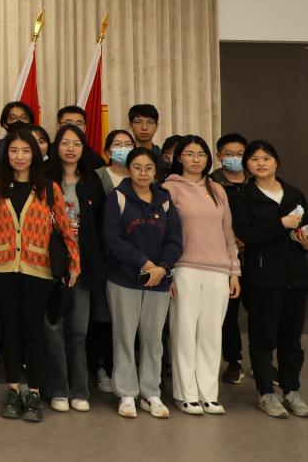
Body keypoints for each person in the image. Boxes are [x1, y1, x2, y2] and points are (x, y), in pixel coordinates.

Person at [0, 130, 79, 422]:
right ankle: (13, 391)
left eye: (26, 151)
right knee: (9, 330)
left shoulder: (49, 187)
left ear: (34, 155)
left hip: (38, 269)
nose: (19, 156)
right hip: (2, 268)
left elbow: (64, 228)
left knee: (33, 331)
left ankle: (34, 393)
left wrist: (74, 264)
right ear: (6, 154)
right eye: (14, 151)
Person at [232, 140, 308, 419]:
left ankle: (291, 390)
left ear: (276, 162)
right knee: (263, 337)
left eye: (266, 158)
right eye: (254, 159)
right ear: (247, 165)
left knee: (291, 339)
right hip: (263, 278)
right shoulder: (244, 196)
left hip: (297, 277)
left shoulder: (293, 193)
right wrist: (281, 224)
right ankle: (266, 393)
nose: (261, 163)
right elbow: (247, 236)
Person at [102, 147, 183, 419]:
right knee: (124, 337)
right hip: (124, 279)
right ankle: (126, 392)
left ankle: (151, 392)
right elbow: (112, 239)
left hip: (159, 281)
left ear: (155, 171)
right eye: (137, 167)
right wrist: (144, 263)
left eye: (148, 168)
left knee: (153, 338)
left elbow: (175, 240)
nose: (143, 173)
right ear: (128, 170)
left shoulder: (165, 200)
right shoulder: (118, 197)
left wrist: (162, 268)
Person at [163, 135, 241, 416]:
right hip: (184, 268)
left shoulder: (217, 189)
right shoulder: (169, 188)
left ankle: (208, 393)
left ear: (208, 159)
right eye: (189, 153)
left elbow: (228, 232)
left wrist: (234, 271)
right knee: (184, 332)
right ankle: (185, 394)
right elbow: (163, 234)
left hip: (218, 270)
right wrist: (167, 272)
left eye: (201, 154)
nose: (196, 159)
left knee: (211, 334)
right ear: (179, 158)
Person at [41, 125, 105, 414]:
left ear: (83, 148)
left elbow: (101, 226)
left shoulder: (92, 182)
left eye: (76, 144)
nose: (70, 149)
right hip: (50, 264)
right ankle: (58, 389)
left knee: (78, 331)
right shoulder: (44, 179)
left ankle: (80, 390)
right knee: (52, 328)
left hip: (83, 266)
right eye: (65, 143)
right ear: (56, 147)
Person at [211, 132, 249, 385]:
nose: (234, 158)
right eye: (229, 154)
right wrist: (230, 239)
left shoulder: (257, 181)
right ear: (218, 156)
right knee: (228, 313)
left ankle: (264, 362)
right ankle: (233, 361)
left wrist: (249, 238)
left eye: (240, 154)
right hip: (224, 256)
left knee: (260, 313)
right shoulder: (212, 183)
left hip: (256, 255)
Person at [55, 105, 106, 170]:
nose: (74, 127)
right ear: (58, 127)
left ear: (85, 128)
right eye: (69, 123)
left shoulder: (96, 160)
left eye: (79, 124)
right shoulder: (48, 153)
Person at [96, 129, 135, 196]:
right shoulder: (98, 176)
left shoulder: (142, 173)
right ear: (108, 153)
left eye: (128, 144)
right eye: (117, 144)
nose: (123, 148)